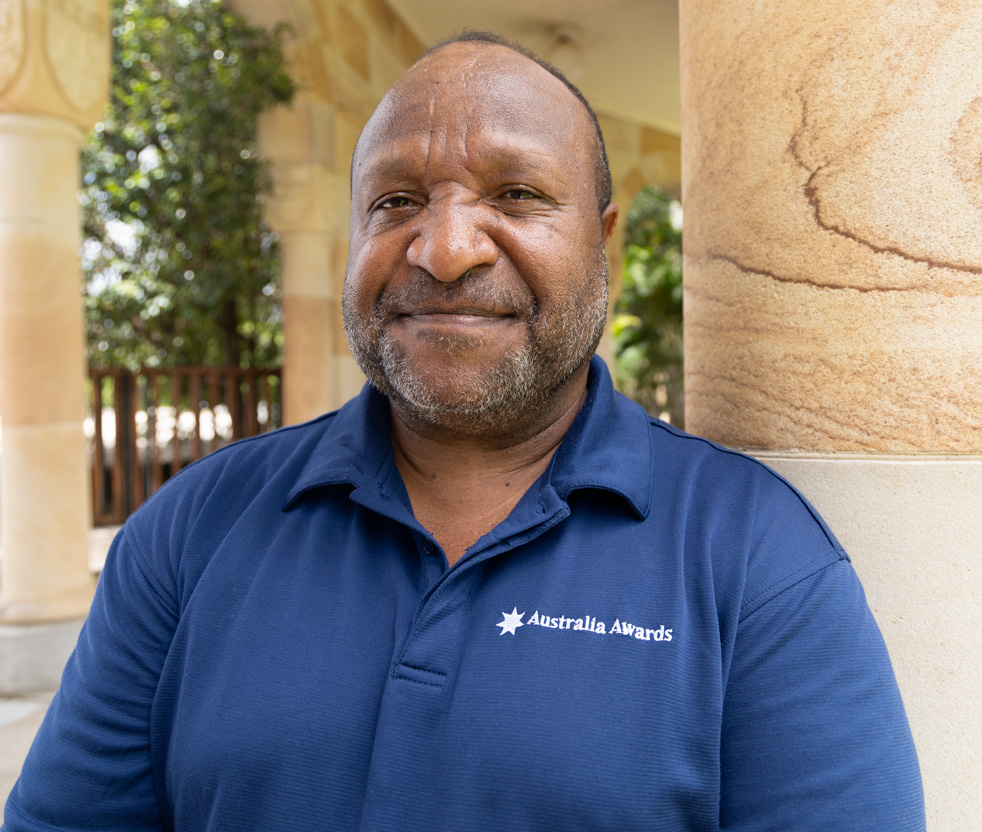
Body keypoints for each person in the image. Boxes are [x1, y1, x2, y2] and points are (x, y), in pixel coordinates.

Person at [4, 31, 924, 832]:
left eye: (517, 194)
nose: (446, 249)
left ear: (605, 244)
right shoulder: (188, 531)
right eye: (396, 201)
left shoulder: (759, 563)